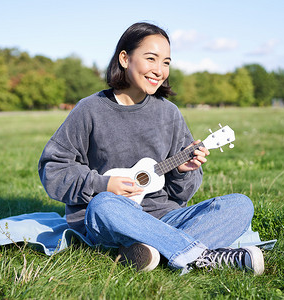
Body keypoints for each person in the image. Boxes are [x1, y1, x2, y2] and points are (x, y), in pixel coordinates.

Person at [38, 22, 264, 275]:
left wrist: (182, 171)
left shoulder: (169, 113)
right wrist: (103, 185)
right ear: (125, 58)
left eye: (166, 62)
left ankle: (147, 250)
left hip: (163, 218)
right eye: (151, 59)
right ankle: (201, 255)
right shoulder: (90, 109)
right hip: (110, 220)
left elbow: (181, 195)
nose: (159, 70)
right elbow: (53, 169)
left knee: (240, 205)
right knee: (104, 204)